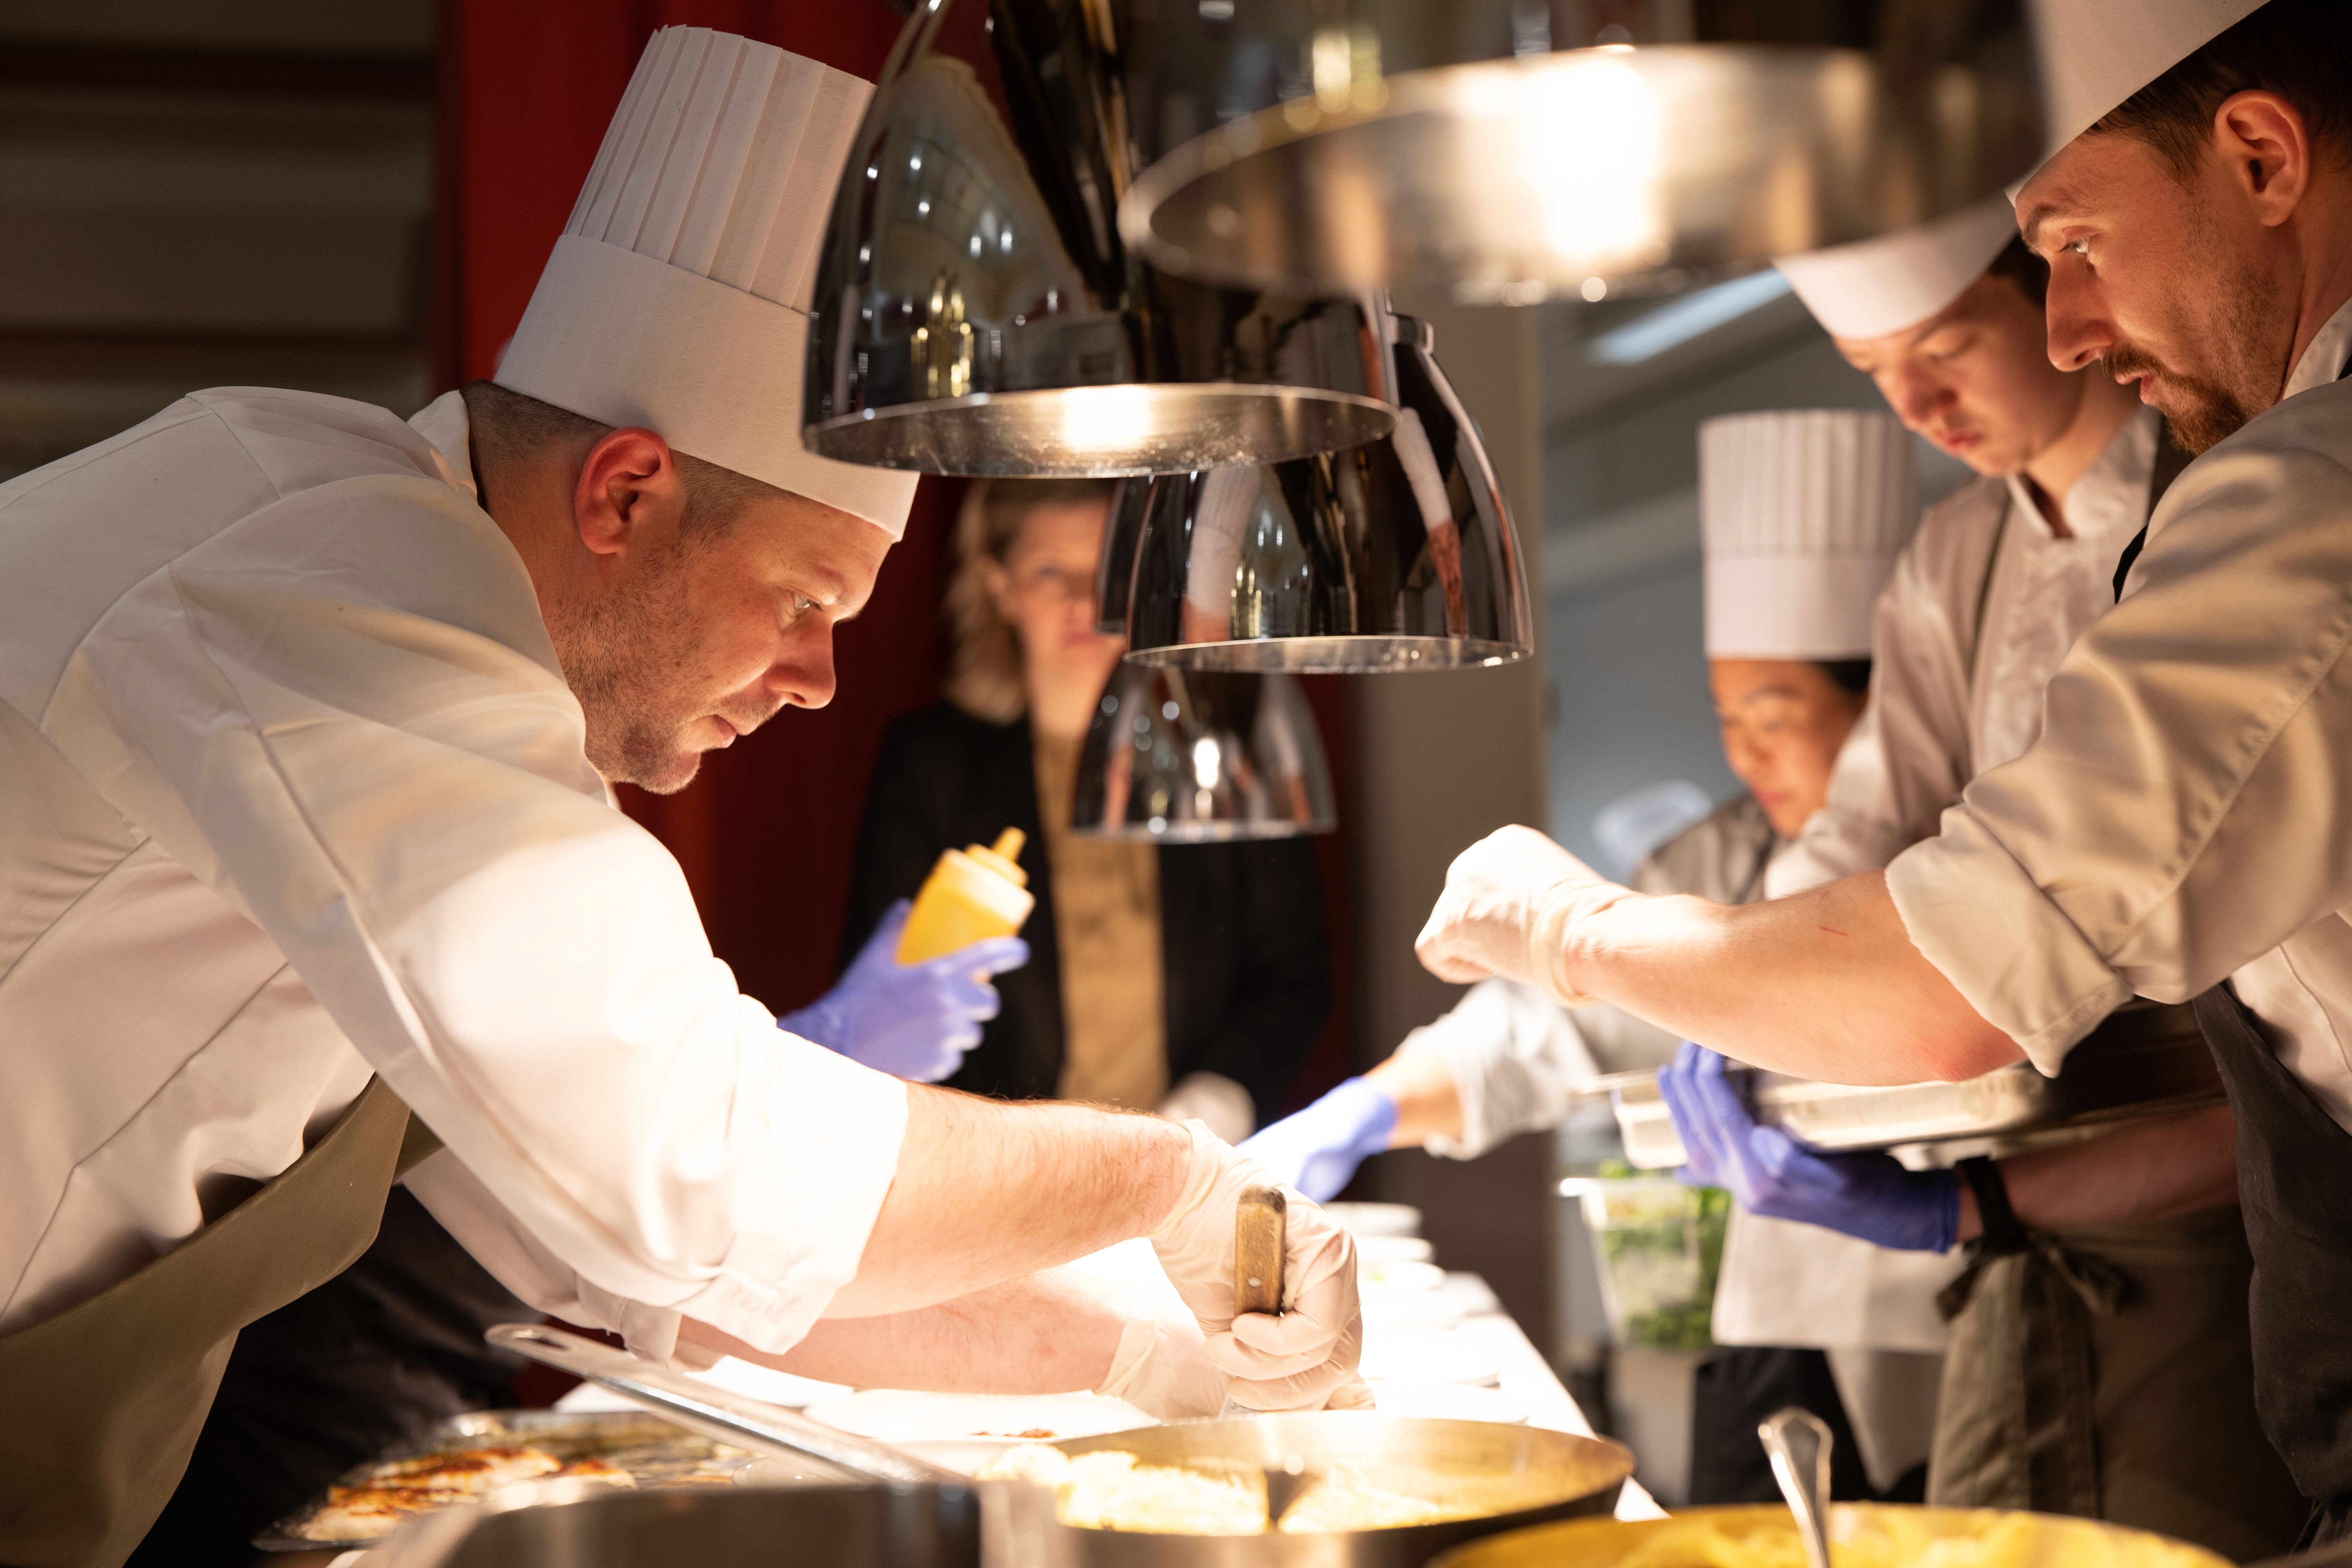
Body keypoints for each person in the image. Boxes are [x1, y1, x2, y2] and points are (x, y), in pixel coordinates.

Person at [0, 31, 1360, 1566]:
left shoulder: (452, 679)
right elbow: (691, 1164)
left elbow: (618, 1253)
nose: (822, 677)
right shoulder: (336, 577)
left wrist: (1148, 1363)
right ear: (626, 492)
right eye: (804, 597)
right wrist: (1170, 1181)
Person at [1411, 0, 2352, 1539]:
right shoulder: (2006, 549)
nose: (2066, 330)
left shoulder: (2301, 504)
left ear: (2260, 157)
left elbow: (1951, 977)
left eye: (2073, 243)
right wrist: (1964, 1192)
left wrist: (1576, 930)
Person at [1665, 194, 2304, 1554]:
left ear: (2056, 298)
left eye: (1947, 346)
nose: (1919, 405)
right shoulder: (1954, 558)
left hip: (2234, 1217)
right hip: (2021, 1215)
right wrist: (1752, 988)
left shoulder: (2233, 492)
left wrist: (1593, 938)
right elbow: (1860, 834)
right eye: (1874, 374)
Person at [1250, 408, 1924, 1503]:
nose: (1741, 751)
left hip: (1924, 1325)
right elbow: (1555, 1020)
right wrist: (1365, 1110)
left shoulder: (1954, 855)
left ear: (1888, 702)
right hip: (1761, 1317)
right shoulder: (1718, 851)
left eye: (1775, 713)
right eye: (1725, 715)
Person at [840, 479, 1332, 1141]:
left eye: (1108, 571)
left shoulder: (1223, 757)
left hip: (1190, 1164)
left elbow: (1294, 972)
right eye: (1051, 571)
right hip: (1003, 1172)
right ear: (999, 584)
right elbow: (894, 997)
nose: (1085, 602)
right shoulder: (932, 768)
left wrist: (1213, 1105)